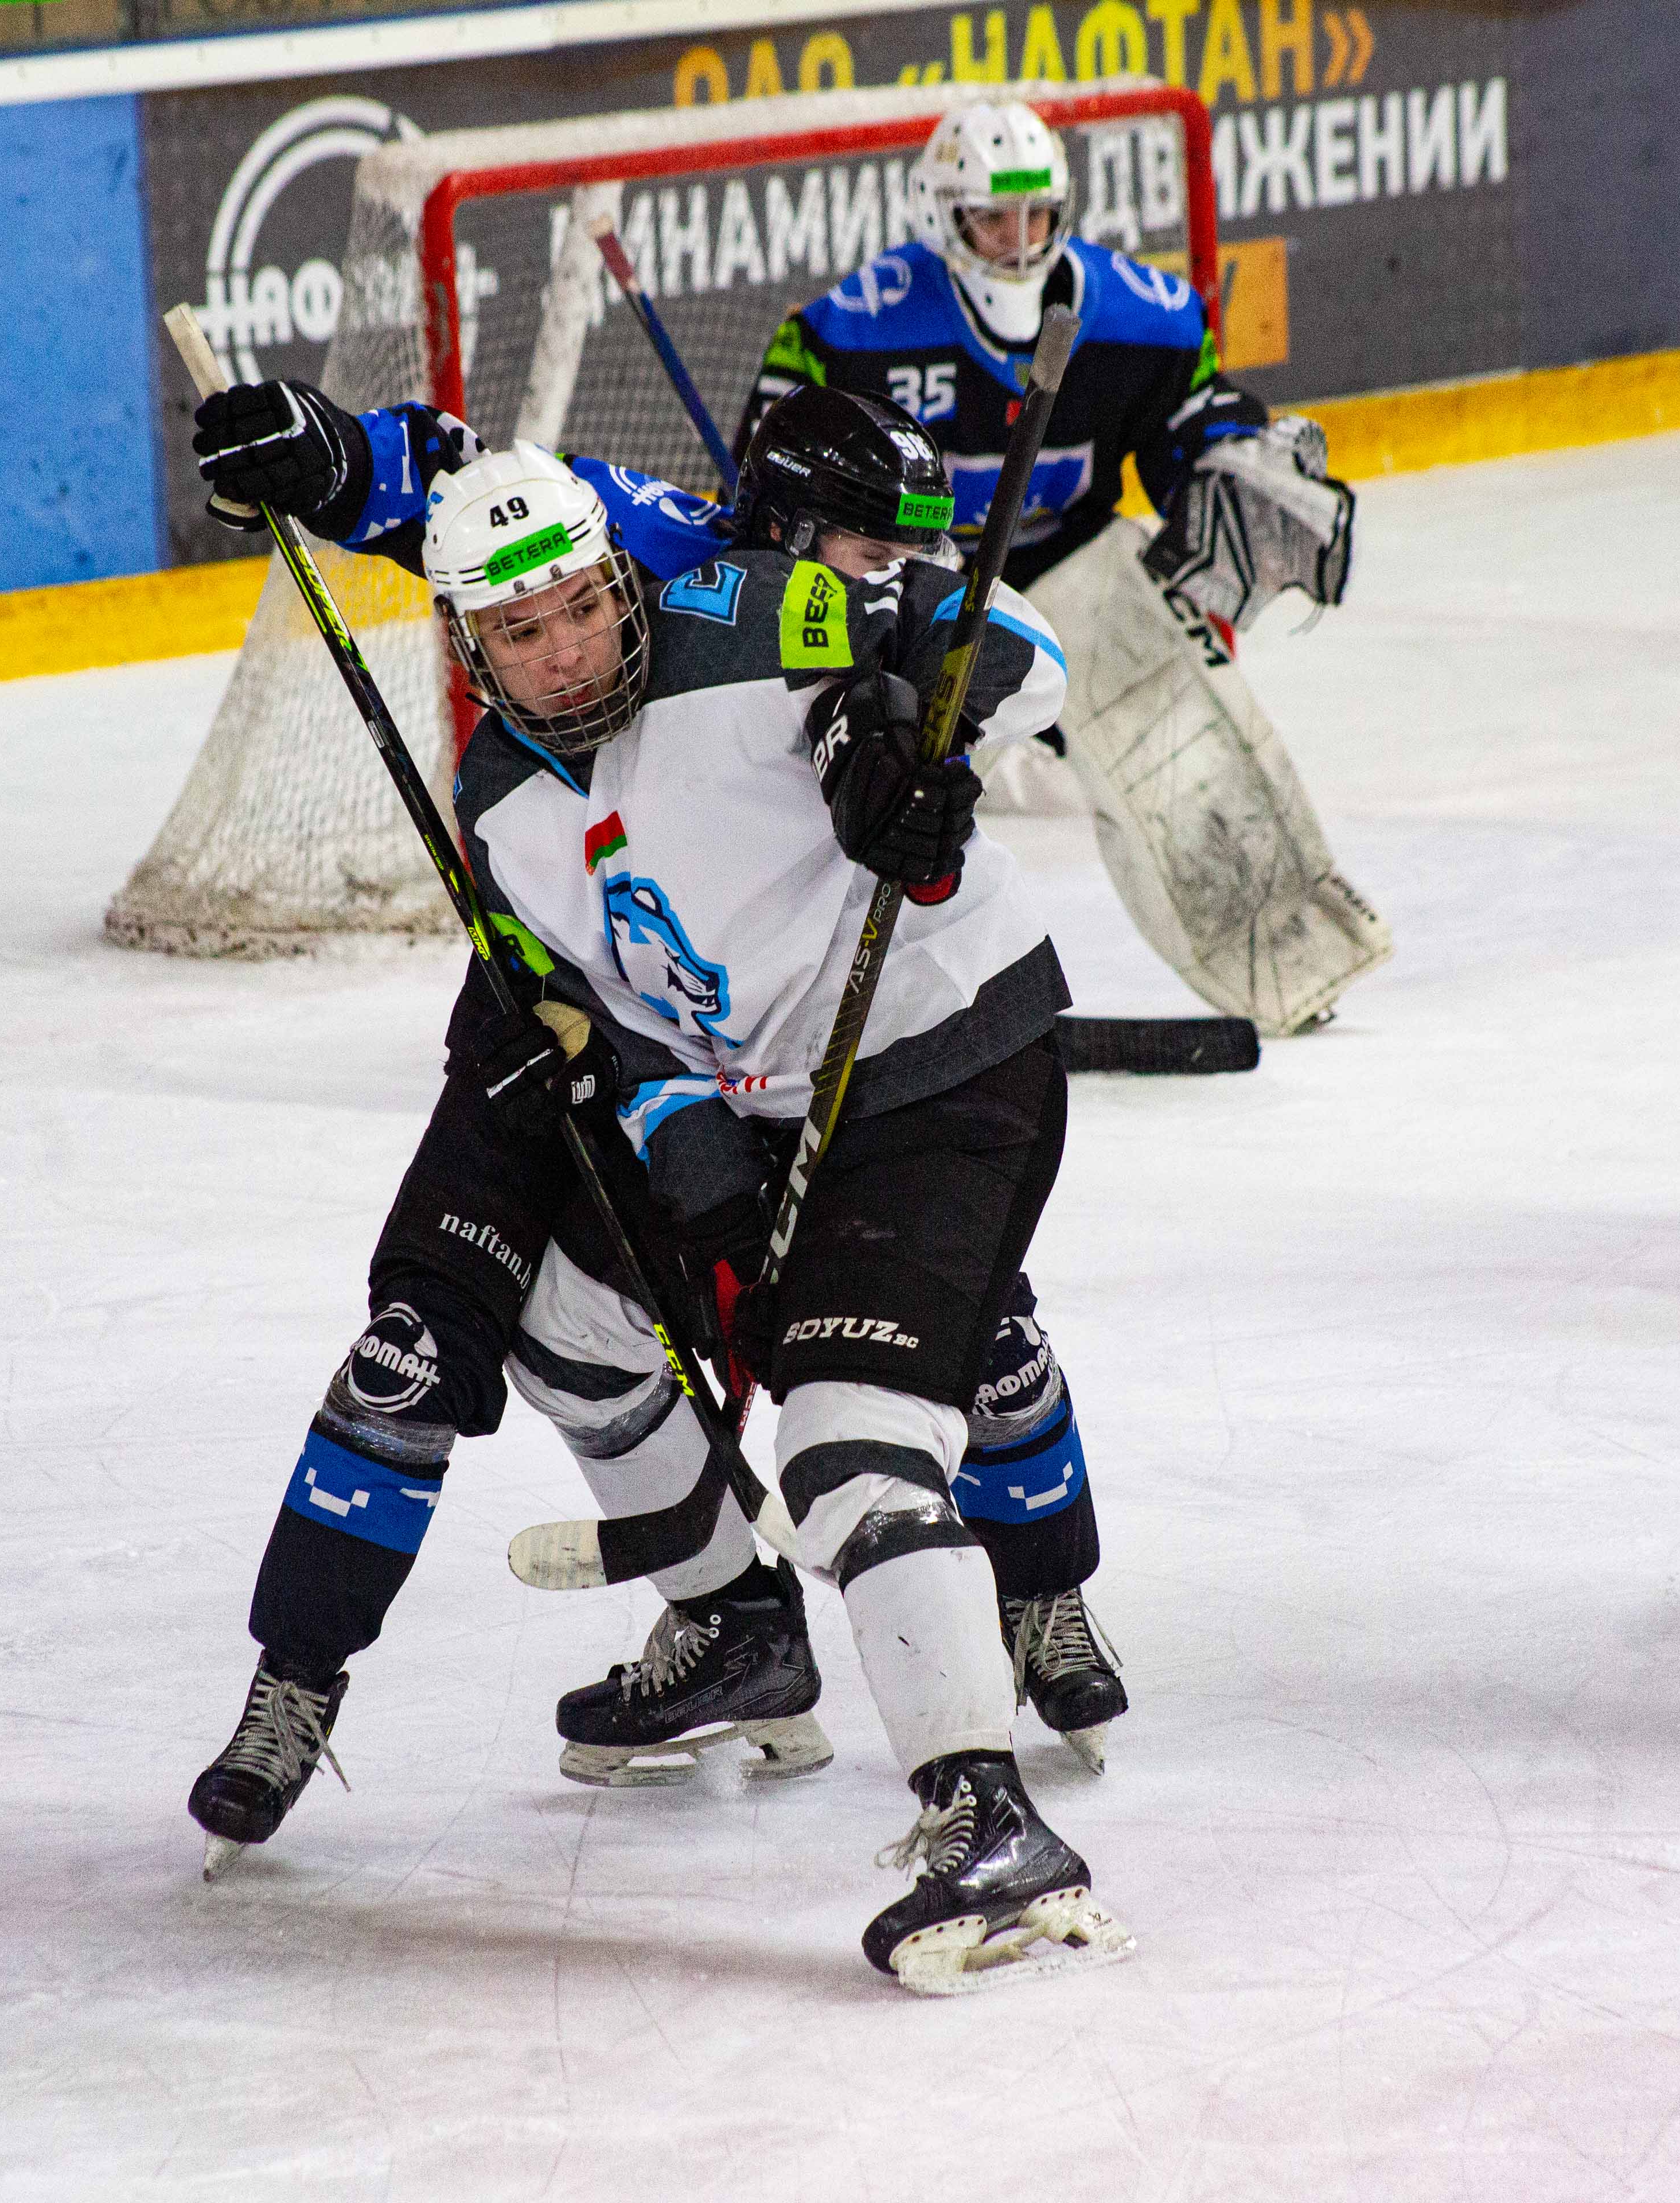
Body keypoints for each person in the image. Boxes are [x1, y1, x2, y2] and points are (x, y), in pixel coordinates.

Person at [185, 430, 1131, 1991]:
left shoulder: (746, 615)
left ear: (621, 585)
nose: (565, 651)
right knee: (566, 1329)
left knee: (843, 1439)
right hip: (772, 1097)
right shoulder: (499, 802)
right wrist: (678, 1127)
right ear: (469, 646)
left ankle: (987, 1816)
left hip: (947, 1056)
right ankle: (735, 1620)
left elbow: (1010, 648)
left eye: (581, 607)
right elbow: (608, 1011)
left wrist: (895, 726)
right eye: (520, 630)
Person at [739, 99, 1386, 1035]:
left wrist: (1231, 455)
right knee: (871, 788)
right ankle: (833, 1007)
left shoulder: (1139, 315)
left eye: (1036, 215)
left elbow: (1188, 422)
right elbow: (773, 459)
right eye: (992, 218)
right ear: (944, 215)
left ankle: (1290, 966)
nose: (1017, 240)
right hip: (919, 586)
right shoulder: (853, 330)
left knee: (1185, 747)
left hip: (1077, 568)